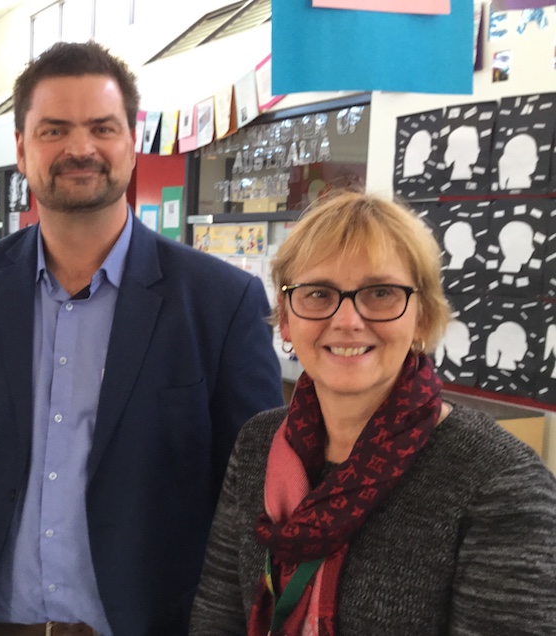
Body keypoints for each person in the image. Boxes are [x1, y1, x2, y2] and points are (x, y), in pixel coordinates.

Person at [0, 41, 283, 636]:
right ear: (21, 149)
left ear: (132, 144)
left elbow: (251, 496)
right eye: (54, 129)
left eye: (101, 128)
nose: (79, 148)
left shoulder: (219, 302)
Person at [189, 191, 556, 635]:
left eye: (380, 293)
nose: (347, 320)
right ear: (286, 320)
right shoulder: (258, 445)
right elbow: (217, 613)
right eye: (319, 293)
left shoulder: (499, 480)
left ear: (422, 318)